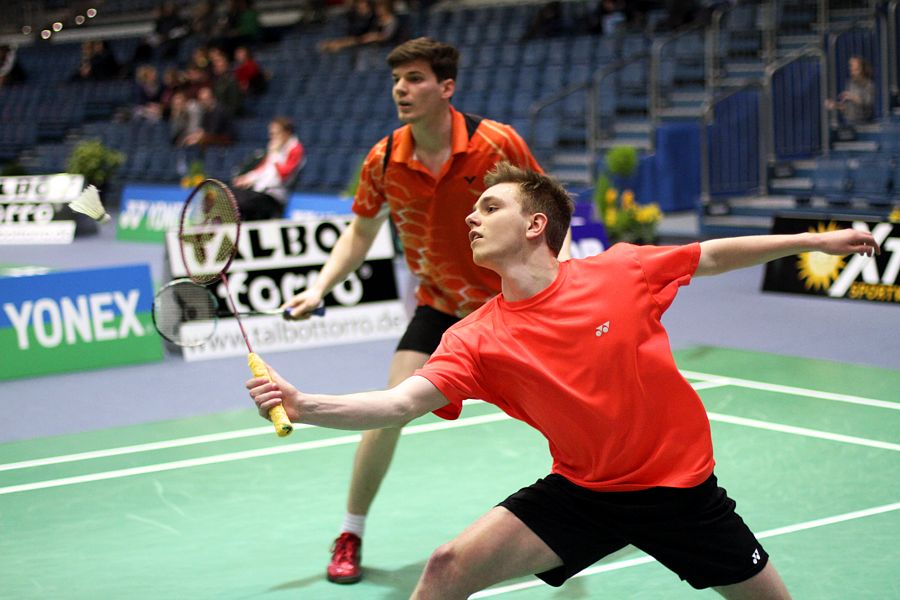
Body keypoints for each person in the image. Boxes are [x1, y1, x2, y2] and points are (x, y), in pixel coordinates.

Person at [250, 162, 881, 599]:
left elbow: (710, 255)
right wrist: (303, 404)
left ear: (535, 225)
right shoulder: (474, 336)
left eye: (488, 206)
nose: (471, 218)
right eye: (472, 209)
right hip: (584, 492)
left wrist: (818, 240)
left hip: (682, 493)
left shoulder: (620, 271)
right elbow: (398, 403)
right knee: (446, 568)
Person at [280, 37, 548, 585]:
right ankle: (350, 532)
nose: (402, 88)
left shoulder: (497, 143)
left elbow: (546, 211)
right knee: (388, 410)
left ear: (446, 88)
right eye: (398, 79)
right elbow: (359, 233)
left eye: (416, 78)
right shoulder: (384, 157)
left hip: (510, 304)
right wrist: (320, 288)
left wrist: (562, 283)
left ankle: (604, 506)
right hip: (441, 308)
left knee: (566, 409)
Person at [232, 116, 305, 220]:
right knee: (234, 195)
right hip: (260, 192)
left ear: (286, 133)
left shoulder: (296, 149)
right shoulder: (276, 147)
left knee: (242, 202)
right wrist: (247, 178)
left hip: (275, 197)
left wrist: (275, 154)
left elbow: (284, 175)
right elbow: (263, 169)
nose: (272, 137)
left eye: (275, 133)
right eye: (271, 133)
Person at [825, 55, 875, 127]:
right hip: (850, 124)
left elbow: (867, 102)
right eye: (851, 69)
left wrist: (852, 96)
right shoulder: (850, 83)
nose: (852, 72)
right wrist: (836, 105)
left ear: (862, 70)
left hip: (865, 124)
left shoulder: (869, 84)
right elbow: (847, 109)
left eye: (856, 69)